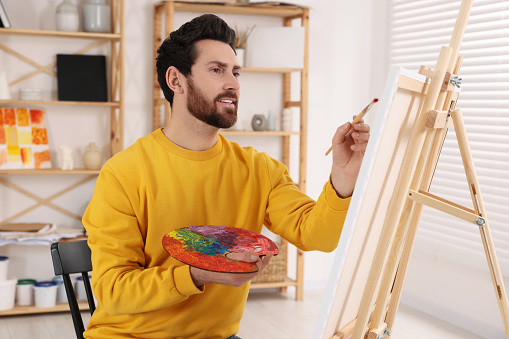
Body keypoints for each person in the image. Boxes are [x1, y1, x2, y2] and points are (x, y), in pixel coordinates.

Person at [82, 14, 370, 339]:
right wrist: (196, 275)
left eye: (235, 72)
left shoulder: (259, 169)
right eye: (217, 70)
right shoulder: (123, 173)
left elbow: (317, 236)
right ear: (176, 80)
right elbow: (113, 290)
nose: (232, 82)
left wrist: (343, 178)